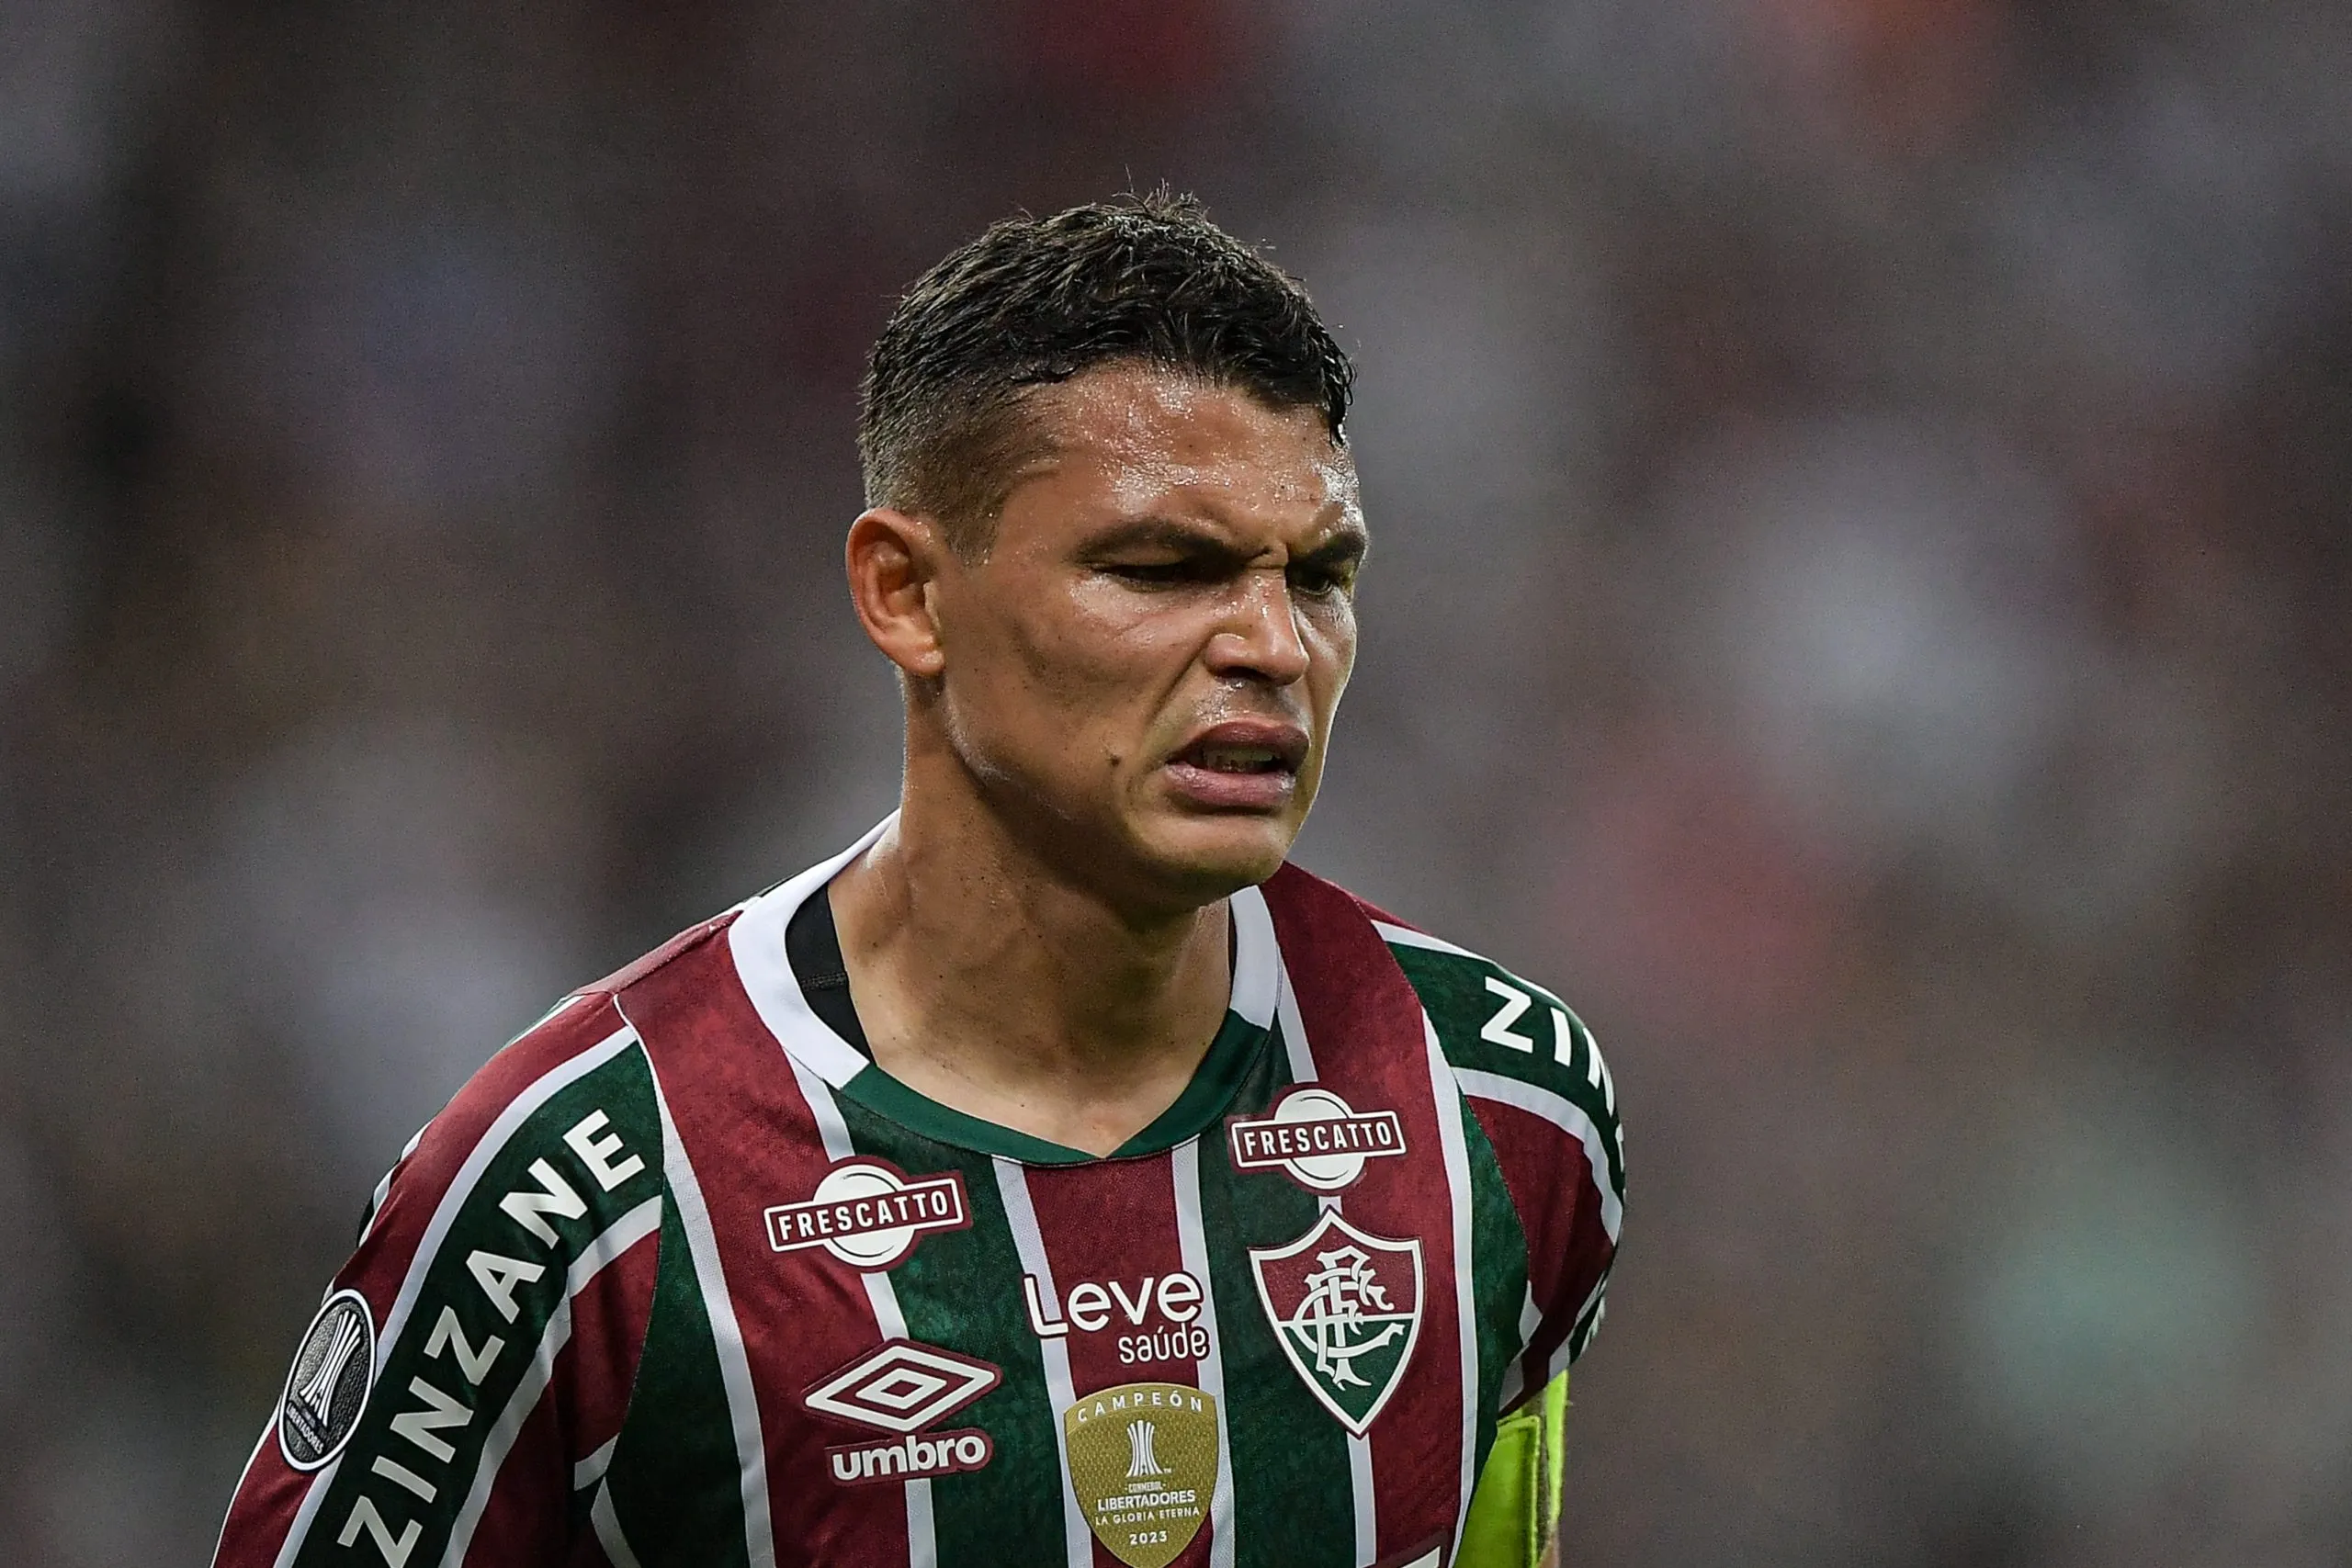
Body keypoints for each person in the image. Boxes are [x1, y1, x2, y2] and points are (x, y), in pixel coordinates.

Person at [213, 192, 1623, 1568]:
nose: (1271, 643)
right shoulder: (584, 1193)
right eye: (1160, 566)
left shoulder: (1500, 1104)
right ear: (906, 593)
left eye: (1319, 576)